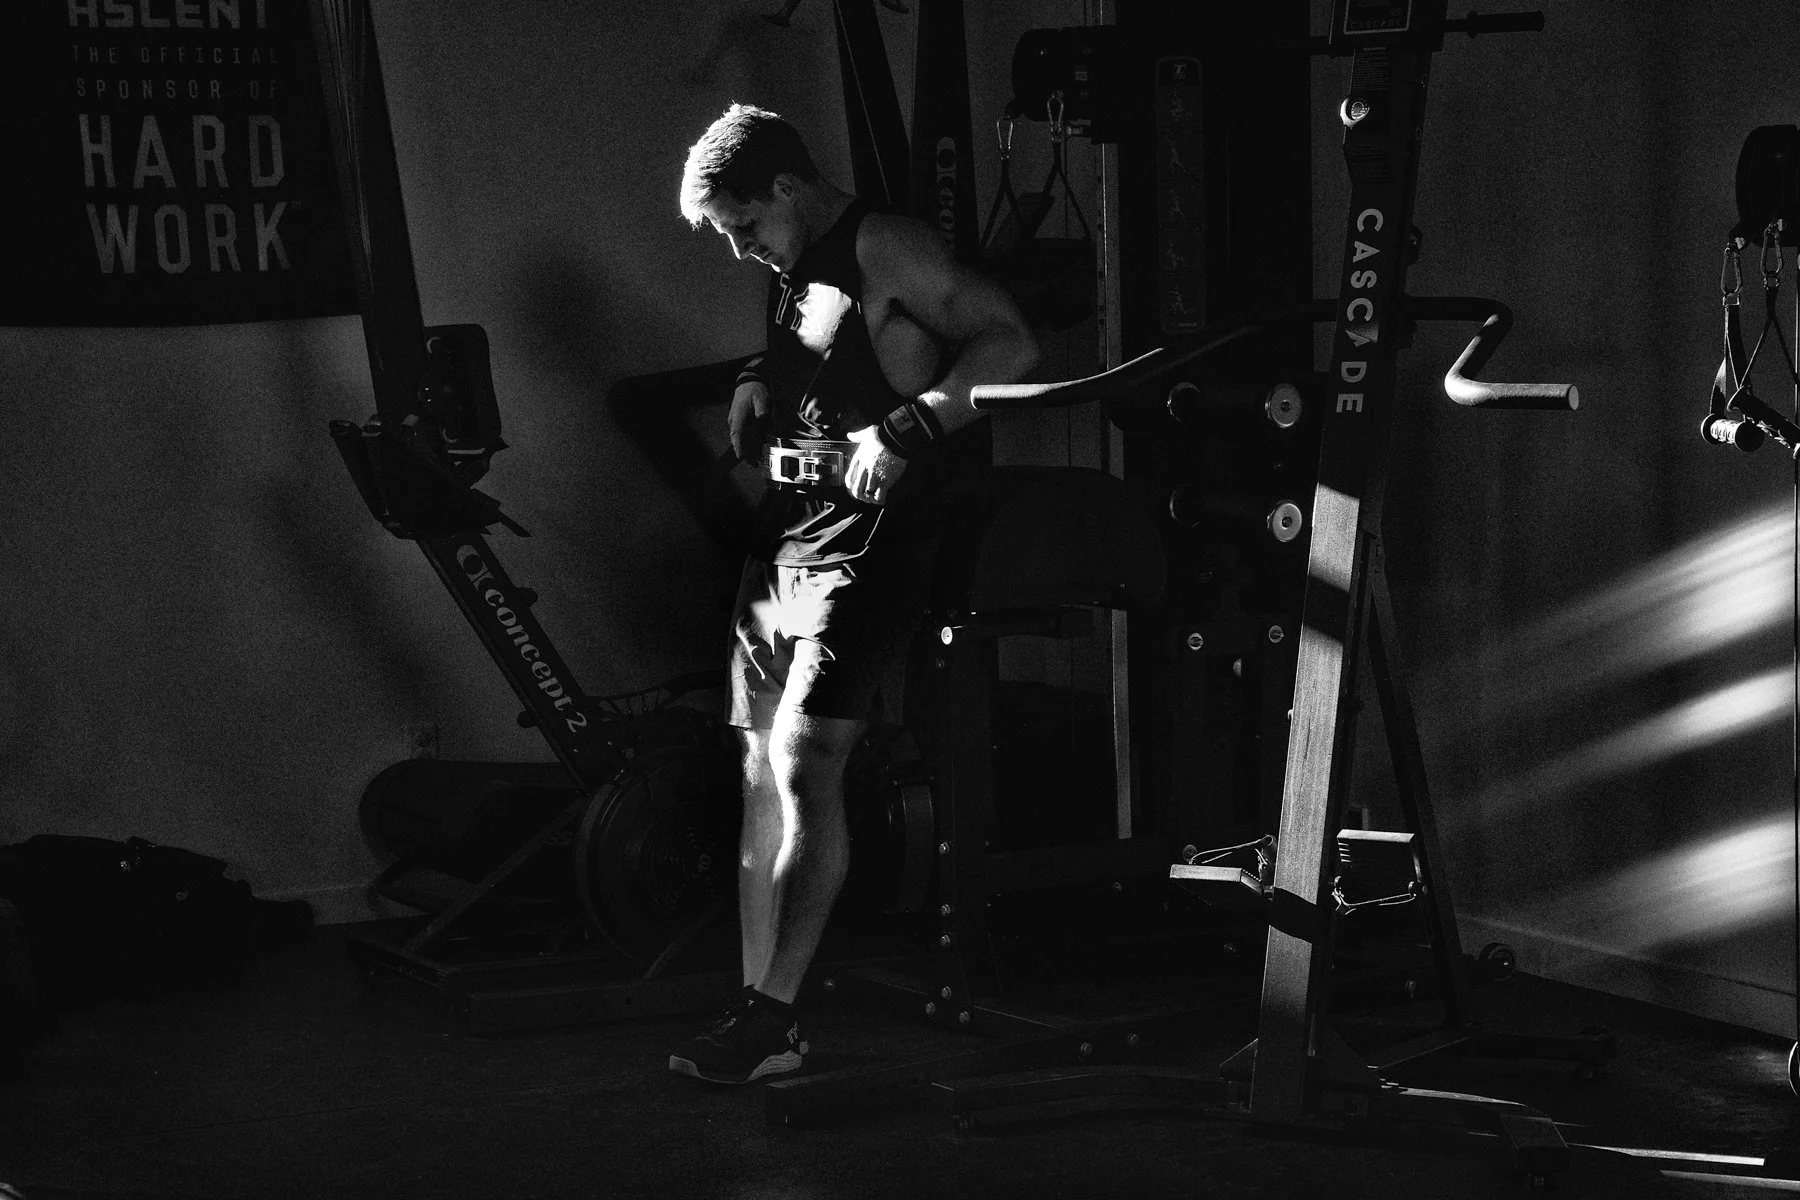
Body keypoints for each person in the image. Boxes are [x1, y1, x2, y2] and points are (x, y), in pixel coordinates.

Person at [668, 103, 1038, 1084]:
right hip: (786, 530)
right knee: (752, 760)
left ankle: (772, 1016)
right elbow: (823, 340)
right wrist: (758, 372)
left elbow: (1010, 345)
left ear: (784, 188)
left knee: (803, 761)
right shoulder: (799, 260)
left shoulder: (888, 243)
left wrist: (909, 429)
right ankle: (759, 1016)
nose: (742, 250)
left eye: (744, 228)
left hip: (873, 538)